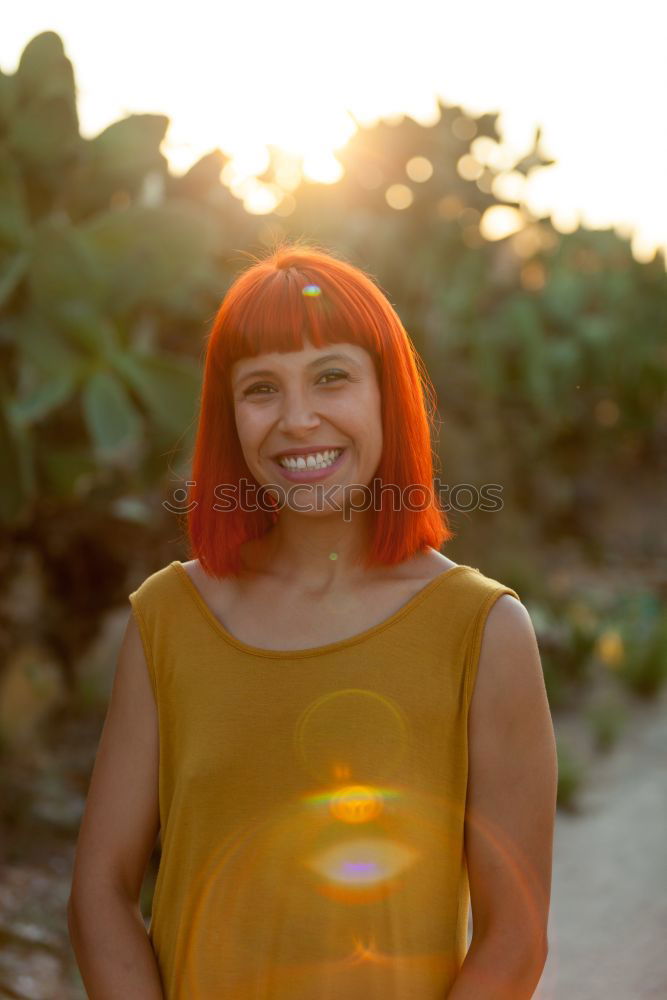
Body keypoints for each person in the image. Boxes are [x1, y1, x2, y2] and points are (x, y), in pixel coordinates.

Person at [68, 240, 557, 999]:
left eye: (331, 377)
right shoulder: (168, 617)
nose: (298, 419)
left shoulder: (483, 629)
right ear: (228, 419)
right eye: (260, 388)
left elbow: (514, 937)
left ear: (385, 397)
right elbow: (100, 890)